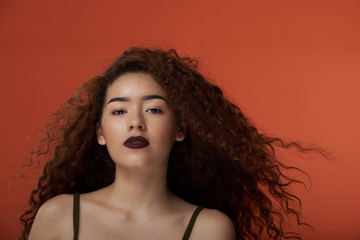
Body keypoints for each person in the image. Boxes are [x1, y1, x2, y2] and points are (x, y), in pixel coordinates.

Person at [20, 47, 314, 240]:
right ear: (99, 133)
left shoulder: (208, 230)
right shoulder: (58, 216)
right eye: (119, 111)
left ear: (180, 129)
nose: (135, 122)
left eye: (154, 109)